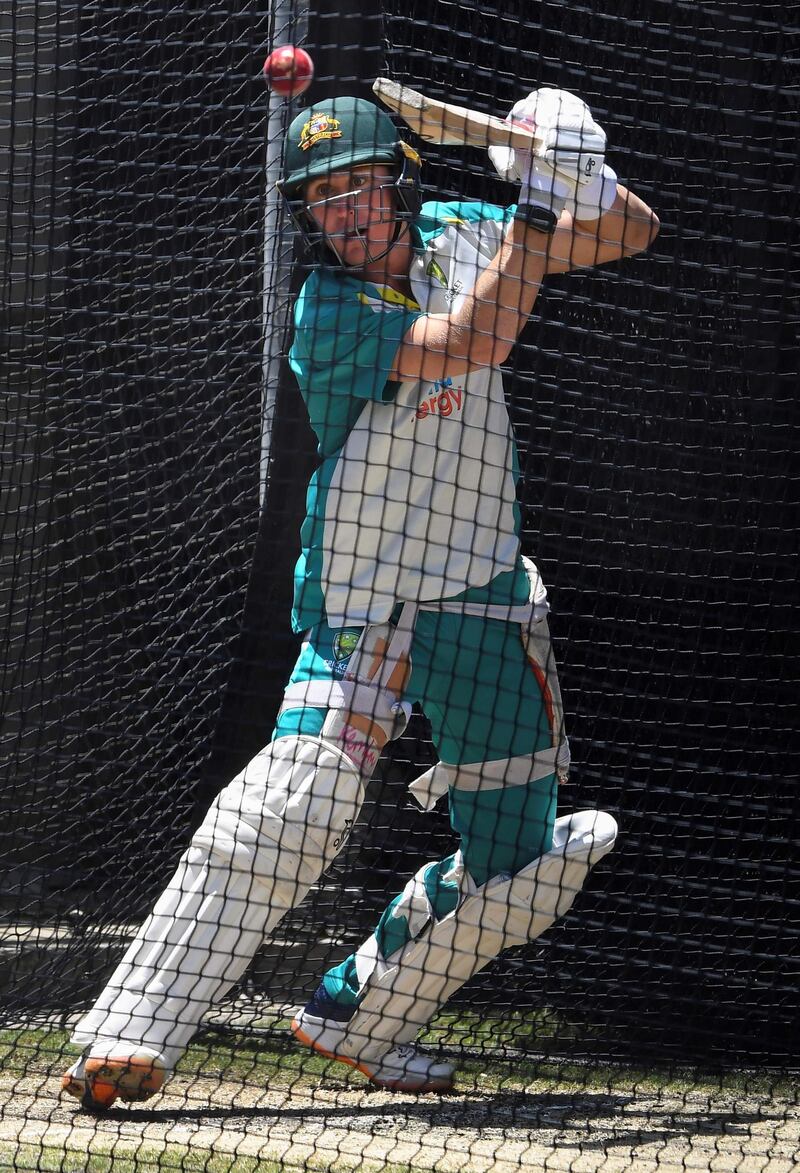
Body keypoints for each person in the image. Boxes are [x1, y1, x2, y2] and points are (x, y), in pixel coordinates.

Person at [61, 90, 659, 1108]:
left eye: (358, 185)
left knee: (527, 864)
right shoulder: (326, 312)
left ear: (401, 179)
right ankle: (128, 1035)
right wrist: (533, 214)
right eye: (321, 198)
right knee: (294, 802)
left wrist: (573, 166)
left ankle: (360, 1013)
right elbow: (475, 341)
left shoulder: (463, 230)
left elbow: (631, 237)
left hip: (482, 594)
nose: (342, 212)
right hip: (368, 599)